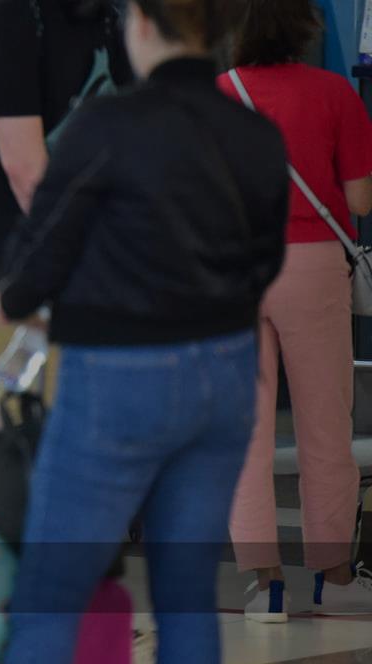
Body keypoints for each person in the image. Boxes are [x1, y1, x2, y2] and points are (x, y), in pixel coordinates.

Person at [0, 1, 289, 664]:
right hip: (226, 373)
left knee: (50, 592)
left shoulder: (106, 125)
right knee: (187, 597)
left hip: (119, 377)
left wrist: (9, 298)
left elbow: (43, 250)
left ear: (144, 25)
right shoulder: (256, 135)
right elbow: (267, 261)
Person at [221, 0, 372, 621]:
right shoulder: (335, 93)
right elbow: (359, 198)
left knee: (243, 432)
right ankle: (334, 579)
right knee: (326, 426)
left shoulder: (217, 95)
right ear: (306, 26)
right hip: (312, 266)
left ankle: (266, 585)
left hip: (234, 268)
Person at [0, 0, 131, 390]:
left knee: (72, 405)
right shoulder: (6, 14)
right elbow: (25, 171)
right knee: (41, 408)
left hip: (90, 261)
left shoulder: (104, 15)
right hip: (25, 263)